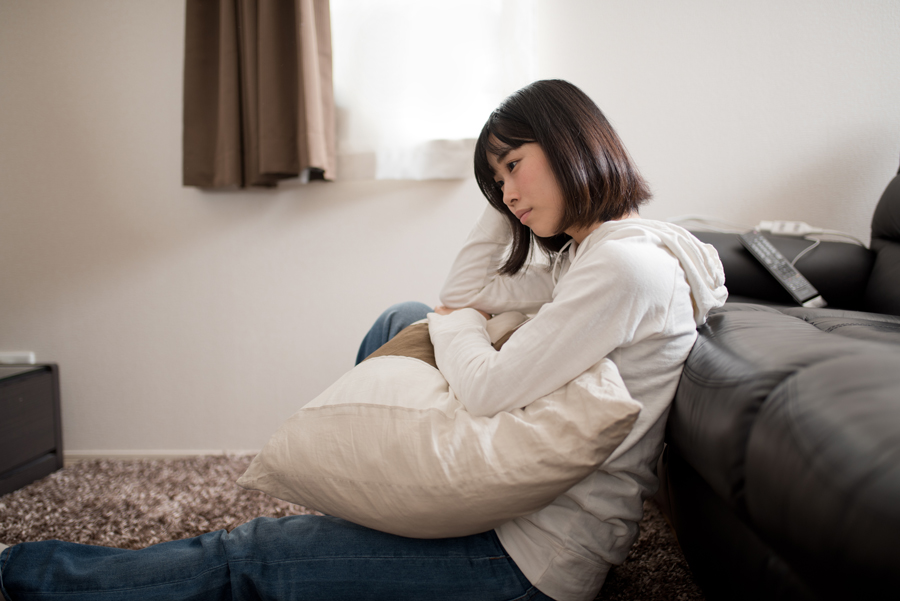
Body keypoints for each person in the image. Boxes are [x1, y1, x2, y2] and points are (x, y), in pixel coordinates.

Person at [0, 80, 726, 601]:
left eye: (513, 166)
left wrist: (452, 324)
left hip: (530, 559)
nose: (505, 192)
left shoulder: (622, 267)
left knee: (250, 554)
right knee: (400, 316)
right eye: (494, 178)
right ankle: (367, 504)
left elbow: (487, 381)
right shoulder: (592, 252)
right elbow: (467, 288)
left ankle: (18, 572)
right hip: (515, 508)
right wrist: (500, 215)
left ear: (570, 143)